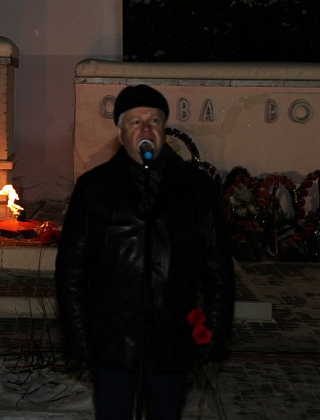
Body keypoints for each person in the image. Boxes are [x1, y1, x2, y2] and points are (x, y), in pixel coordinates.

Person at [55, 84, 235, 419]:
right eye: (135, 122)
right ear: (120, 132)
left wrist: (213, 333)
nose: (146, 129)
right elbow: (72, 269)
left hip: (172, 338)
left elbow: (218, 269)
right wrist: (78, 336)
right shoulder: (94, 187)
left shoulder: (195, 188)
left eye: (154, 120)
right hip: (112, 340)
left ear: (164, 129)